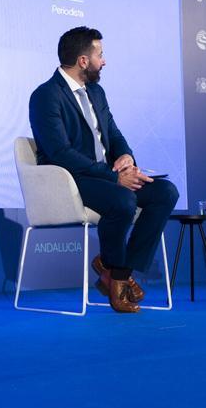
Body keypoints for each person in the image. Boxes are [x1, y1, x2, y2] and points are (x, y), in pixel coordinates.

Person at [27, 27, 180, 313]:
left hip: (107, 176)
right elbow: (60, 153)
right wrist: (114, 177)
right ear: (83, 60)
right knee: (123, 200)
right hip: (72, 180)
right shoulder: (46, 95)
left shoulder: (96, 92)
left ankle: (116, 273)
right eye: (100, 54)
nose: (104, 61)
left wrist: (125, 156)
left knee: (165, 192)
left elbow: (113, 132)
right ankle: (117, 281)